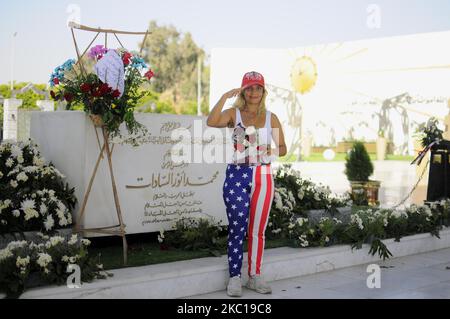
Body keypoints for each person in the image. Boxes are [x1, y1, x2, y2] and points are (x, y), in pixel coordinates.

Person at [207, 71, 287, 297]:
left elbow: (283, 148)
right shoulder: (234, 113)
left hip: (263, 175)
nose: (254, 92)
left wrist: (272, 150)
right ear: (243, 91)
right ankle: (235, 277)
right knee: (237, 227)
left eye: (258, 88)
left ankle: (255, 276)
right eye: (249, 88)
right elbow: (211, 121)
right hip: (237, 175)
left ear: (263, 92)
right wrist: (224, 97)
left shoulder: (272, 117)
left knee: (257, 230)